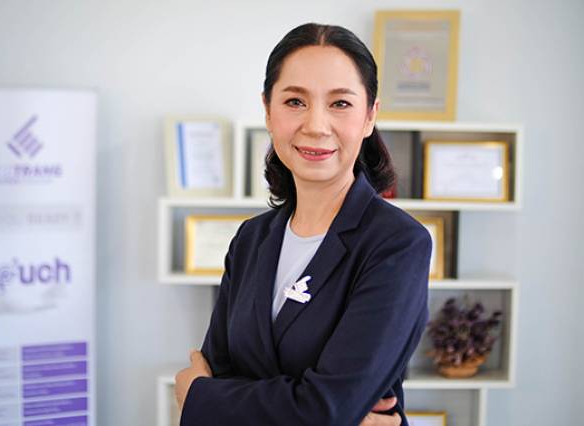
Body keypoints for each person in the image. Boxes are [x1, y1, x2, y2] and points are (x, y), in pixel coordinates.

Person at [175, 23, 432, 426]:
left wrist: (201, 397)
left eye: (340, 103)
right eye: (295, 101)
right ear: (268, 111)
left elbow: (325, 408)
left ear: (370, 116)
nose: (315, 125)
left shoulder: (397, 243)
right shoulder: (251, 239)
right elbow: (221, 371)